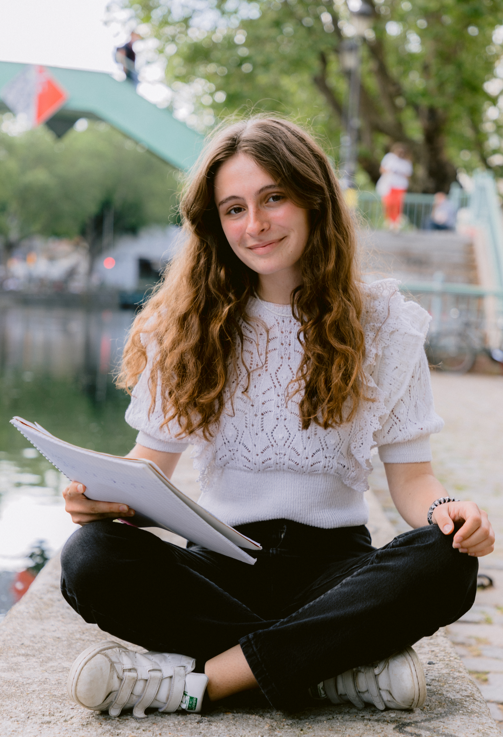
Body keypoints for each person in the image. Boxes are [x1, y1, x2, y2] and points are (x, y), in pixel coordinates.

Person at [61, 117, 494, 720]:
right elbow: (146, 468)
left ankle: (204, 682)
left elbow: (413, 479)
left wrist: (448, 515)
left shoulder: (387, 323)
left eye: (273, 199)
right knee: (90, 557)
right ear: (215, 223)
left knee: (447, 562)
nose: (255, 225)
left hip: (336, 571)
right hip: (219, 566)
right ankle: (329, 665)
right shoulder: (184, 327)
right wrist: (99, 497)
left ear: (313, 199)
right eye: (233, 208)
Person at [376, 143, 413, 231]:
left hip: (400, 186)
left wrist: (399, 173)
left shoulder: (407, 162)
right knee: (388, 203)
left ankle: (396, 222)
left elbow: (408, 175)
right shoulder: (389, 158)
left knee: (397, 204)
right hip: (389, 185)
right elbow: (382, 169)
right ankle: (389, 220)